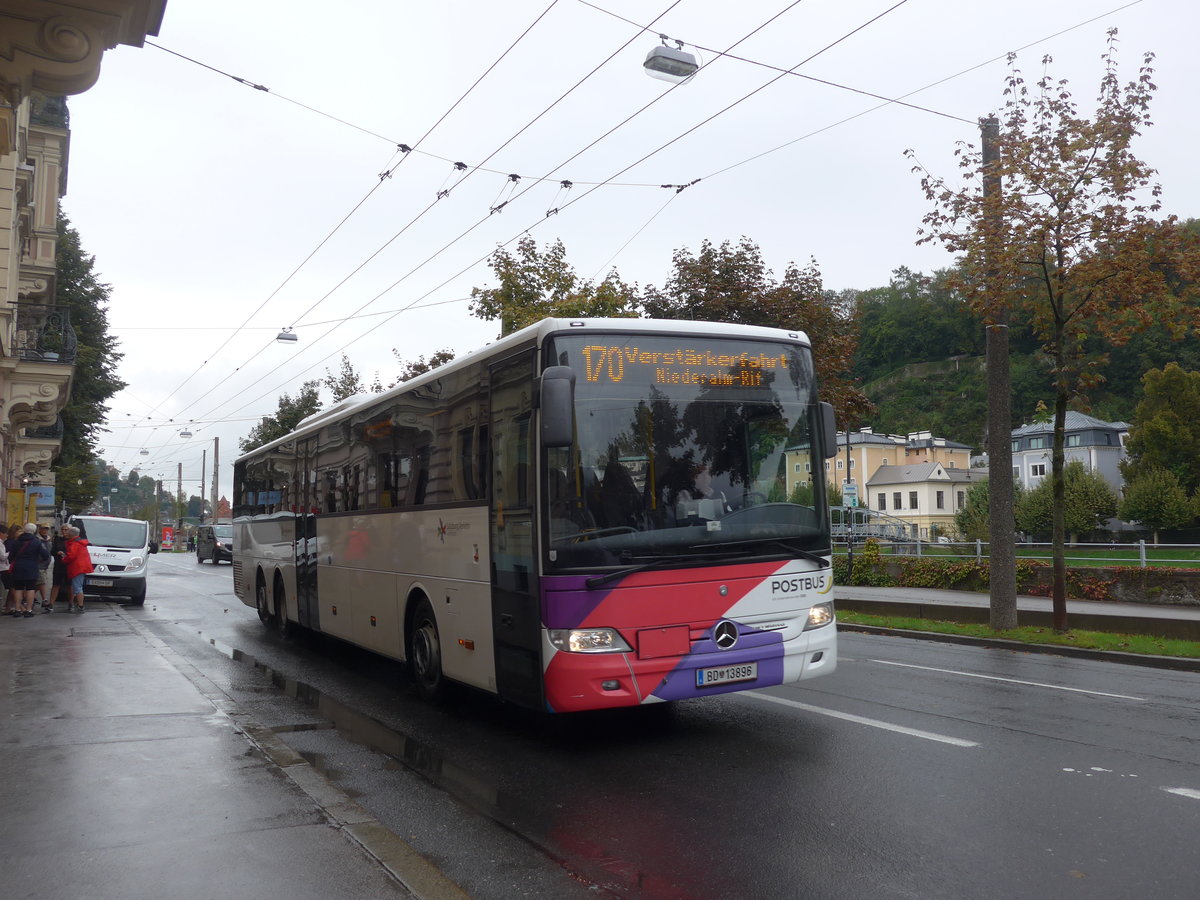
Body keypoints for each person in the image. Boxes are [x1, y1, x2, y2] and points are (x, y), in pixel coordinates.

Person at [10, 523, 51, 618]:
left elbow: (11, 557)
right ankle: (28, 610)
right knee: (30, 588)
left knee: (18, 588)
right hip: (31, 567)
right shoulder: (36, 542)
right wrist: (38, 560)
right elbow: (45, 555)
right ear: (34, 531)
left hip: (18, 567)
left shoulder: (16, 541)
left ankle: (17, 610)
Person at [62, 525, 93, 614]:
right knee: (78, 586)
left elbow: (71, 556)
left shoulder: (74, 544)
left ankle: (81, 606)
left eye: (68, 532)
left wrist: (63, 558)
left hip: (77, 568)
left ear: (72, 534)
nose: (66, 534)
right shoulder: (81, 543)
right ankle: (80, 605)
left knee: (77, 588)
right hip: (82, 567)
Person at [48, 524, 70, 611]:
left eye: (66, 530)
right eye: (63, 530)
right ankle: (51, 604)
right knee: (56, 584)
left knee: (69, 585)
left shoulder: (72, 540)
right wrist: (57, 552)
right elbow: (52, 551)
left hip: (68, 565)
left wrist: (65, 553)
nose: (64, 531)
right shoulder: (58, 539)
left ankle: (71, 603)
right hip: (58, 565)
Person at [35, 523, 52, 609]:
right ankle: (44, 599)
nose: (45, 531)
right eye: (43, 529)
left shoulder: (48, 540)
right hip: (39, 564)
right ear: (39, 529)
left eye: (47, 529)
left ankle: (28, 597)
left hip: (45, 565)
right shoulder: (37, 539)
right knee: (42, 582)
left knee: (37, 583)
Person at [0, 524, 11, 616]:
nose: (7, 535)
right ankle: (5, 606)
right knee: (7, 588)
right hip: (2, 568)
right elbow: (3, 557)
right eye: (6, 533)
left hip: (3, 568)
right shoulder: (0, 543)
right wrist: (10, 553)